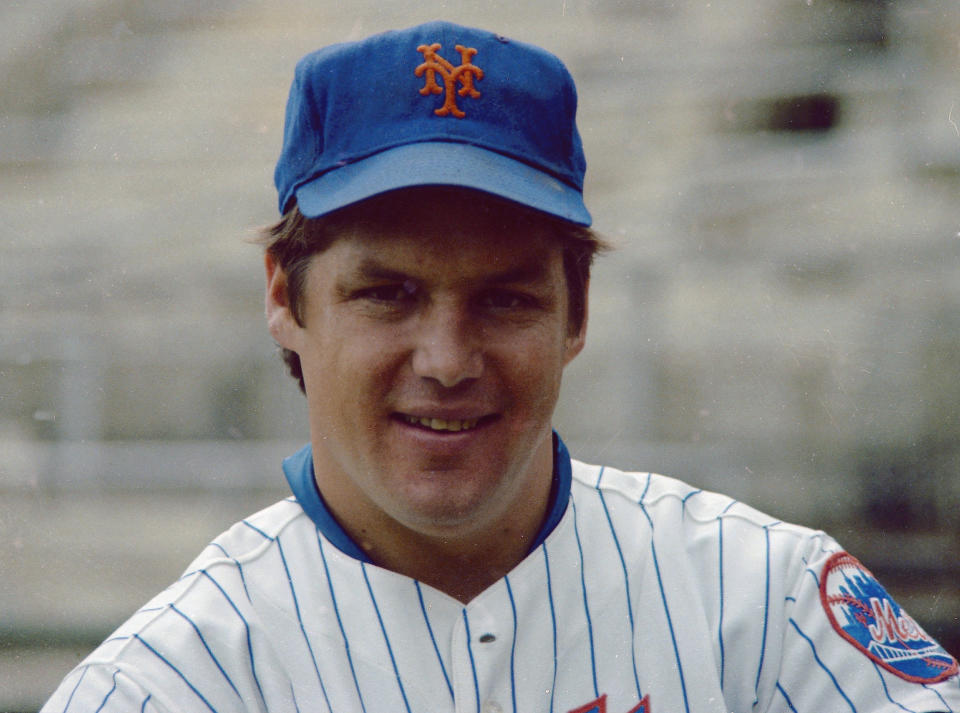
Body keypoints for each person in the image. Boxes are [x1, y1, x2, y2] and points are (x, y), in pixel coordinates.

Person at [43, 20, 959, 713]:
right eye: (389, 295)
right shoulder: (167, 683)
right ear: (286, 296)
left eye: (506, 298)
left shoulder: (763, 604)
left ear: (579, 311)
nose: (446, 362)